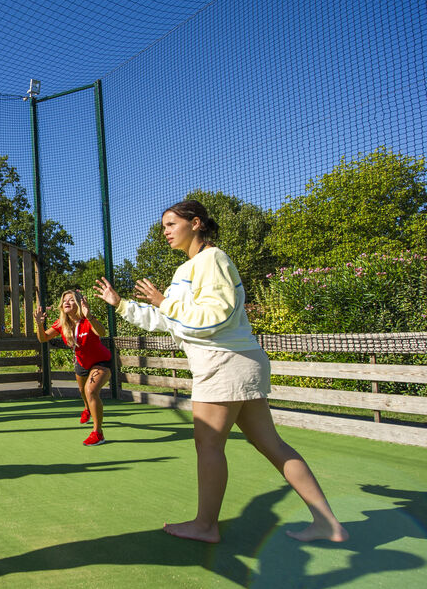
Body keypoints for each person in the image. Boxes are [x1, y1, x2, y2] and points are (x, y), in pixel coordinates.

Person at [93, 199, 348, 544]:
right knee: (270, 444)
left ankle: (205, 525)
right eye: (163, 226)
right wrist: (122, 304)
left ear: (196, 223)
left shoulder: (213, 260)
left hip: (225, 363)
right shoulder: (187, 269)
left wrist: (162, 301)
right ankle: (328, 523)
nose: (164, 231)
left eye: (171, 224)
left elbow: (216, 317)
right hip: (233, 362)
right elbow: (173, 321)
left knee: (208, 444)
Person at [34, 289, 113, 446]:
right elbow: (43, 338)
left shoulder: (87, 319)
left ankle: (98, 433)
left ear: (78, 303)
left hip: (101, 362)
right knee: (82, 391)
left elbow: (102, 332)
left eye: (70, 300)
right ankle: (87, 408)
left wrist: (89, 316)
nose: (67, 303)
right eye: (64, 301)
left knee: (91, 391)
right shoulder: (61, 323)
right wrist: (39, 324)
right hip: (81, 363)